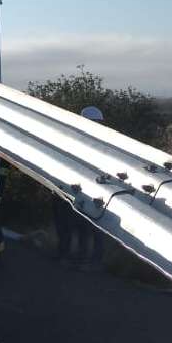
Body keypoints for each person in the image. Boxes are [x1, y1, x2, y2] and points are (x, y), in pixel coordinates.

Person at [52, 106, 107, 270]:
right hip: (79, 190)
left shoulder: (77, 139)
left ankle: (76, 257)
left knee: (80, 225)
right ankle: (77, 256)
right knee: (80, 225)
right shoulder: (100, 141)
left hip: (84, 191)